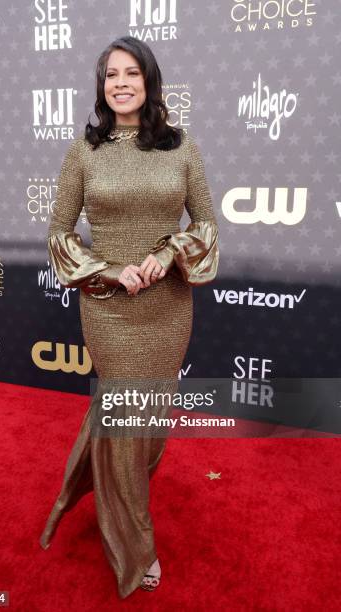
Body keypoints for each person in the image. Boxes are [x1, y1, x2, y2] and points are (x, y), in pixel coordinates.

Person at [39, 35, 219, 598]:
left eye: (131, 73)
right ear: (102, 86)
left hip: (167, 307)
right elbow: (59, 235)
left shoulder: (181, 147)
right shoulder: (84, 152)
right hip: (108, 308)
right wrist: (111, 271)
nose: (120, 83)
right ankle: (137, 545)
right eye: (110, 74)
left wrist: (167, 255)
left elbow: (208, 227)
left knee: (147, 427)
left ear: (148, 82)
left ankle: (104, 490)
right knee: (128, 417)